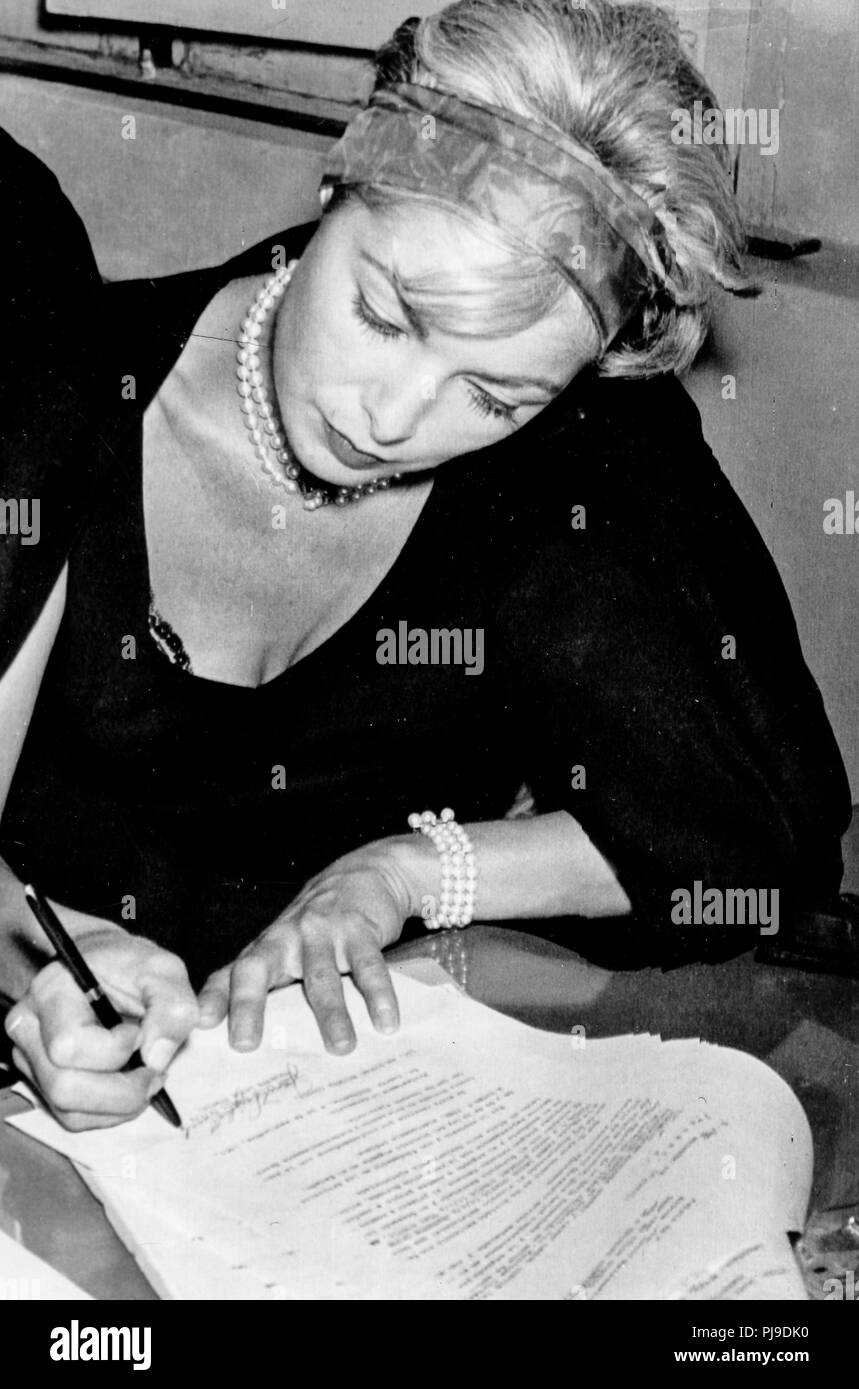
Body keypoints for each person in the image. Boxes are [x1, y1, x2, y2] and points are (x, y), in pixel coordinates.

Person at [0, 0, 850, 1132]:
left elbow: (747, 837)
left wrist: (405, 874)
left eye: (494, 394)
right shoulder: (54, 402)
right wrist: (48, 964)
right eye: (383, 314)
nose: (393, 418)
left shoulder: (579, 460)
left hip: (338, 1124)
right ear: (337, 184)